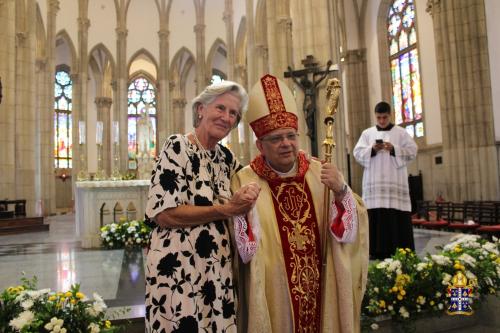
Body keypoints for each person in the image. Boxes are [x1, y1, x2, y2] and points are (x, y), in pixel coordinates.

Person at [231, 74, 369, 332]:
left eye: (291, 136)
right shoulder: (245, 180)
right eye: (276, 138)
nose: (286, 144)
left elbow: (348, 234)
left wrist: (341, 192)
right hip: (278, 292)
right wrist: (241, 212)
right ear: (260, 144)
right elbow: (246, 251)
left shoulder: (320, 172)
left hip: (322, 285)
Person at [144, 80, 260, 332]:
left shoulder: (226, 157)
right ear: (200, 109)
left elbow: (255, 179)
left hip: (217, 271)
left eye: (233, 114)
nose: (226, 117)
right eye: (220, 108)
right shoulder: (177, 147)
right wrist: (226, 210)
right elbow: (164, 214)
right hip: (177, 270)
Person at [353, 101, 418, 260]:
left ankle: (400, 251)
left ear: (390, 115)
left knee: (394, 216)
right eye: (379, 118)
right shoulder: (367, 134)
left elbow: (412, 151)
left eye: (384, 117)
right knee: (375, 216)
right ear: (375, 116)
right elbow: (357, 153)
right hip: (374, 184)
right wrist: (372, 150)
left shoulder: (401, 133)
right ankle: (375, 250)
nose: (382, 121)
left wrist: (394, 148)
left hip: (395, 182)